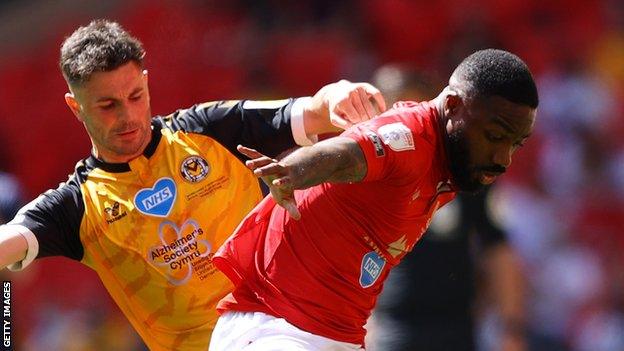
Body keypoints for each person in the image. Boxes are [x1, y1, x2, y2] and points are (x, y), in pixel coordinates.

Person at [0, 20, 386, 351]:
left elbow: (310, 110)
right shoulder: (77, 206)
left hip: (293, 332)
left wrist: (341, 95)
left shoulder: (209, 130)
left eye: (135, 95)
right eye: (107, 106)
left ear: (147, 84)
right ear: (75, 106)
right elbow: (11, 241)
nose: (128, 115)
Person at [211, 48, 539, 350]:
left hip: (340, 336)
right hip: (278, 326)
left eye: (515, 144)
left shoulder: (456, 167)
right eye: (495, 137)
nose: (504, 158)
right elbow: (344, 154)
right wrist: (291, 172)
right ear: (451, 106)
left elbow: (498, 251)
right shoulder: (408, 138)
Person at [368, 64, 527, 351]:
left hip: (456, 328)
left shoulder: (468, 172)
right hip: (394, 328)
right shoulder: (368, 177)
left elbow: (498, 249)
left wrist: (511, 326)